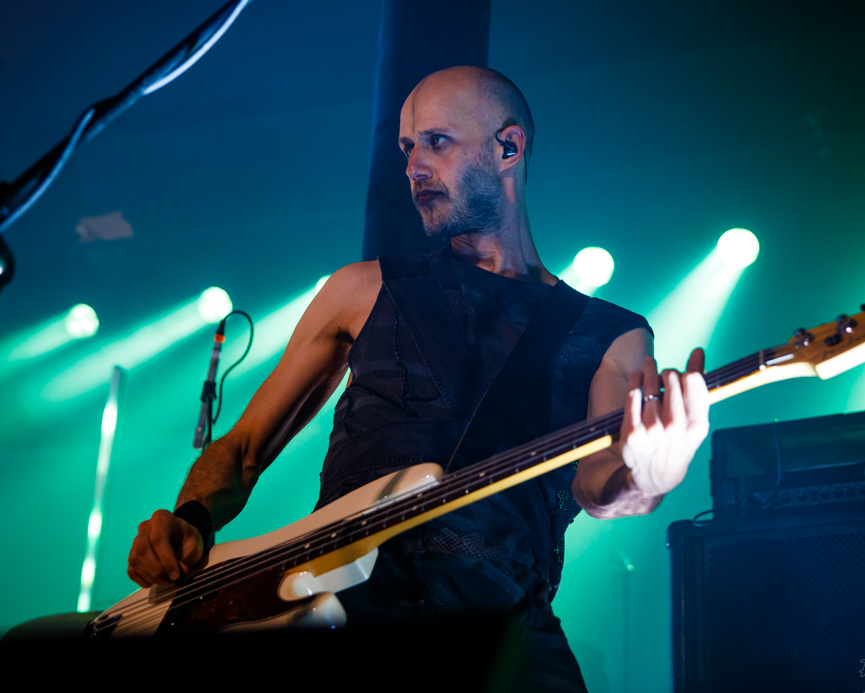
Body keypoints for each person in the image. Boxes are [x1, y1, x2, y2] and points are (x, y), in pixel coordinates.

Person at [125, 66, 710, 689]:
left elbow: (601, 485)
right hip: (335, 614)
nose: (413, 168)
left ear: (507, 147)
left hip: (504, 640)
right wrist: (189, 517)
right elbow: (241, 451)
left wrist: (646, 478)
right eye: (407, 149)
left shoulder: (609, 334)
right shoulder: (361, 289)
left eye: (437, 142)